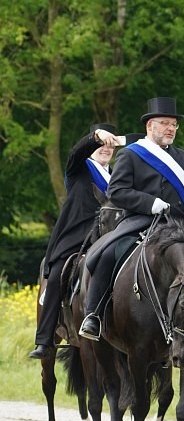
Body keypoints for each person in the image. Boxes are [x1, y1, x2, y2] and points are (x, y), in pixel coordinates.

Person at [78, 97, 184, 345]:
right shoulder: (131, 155)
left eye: (174, 125)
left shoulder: (181, 156)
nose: (170, 129)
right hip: (141, 221)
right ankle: (94, 314)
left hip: (181, 225)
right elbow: (117, 191)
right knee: (108, 253)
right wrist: (149, 203)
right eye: (164, 123)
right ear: (149, 127)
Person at [29, 124, 122, 359]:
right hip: (77, 237)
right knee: (59, 274)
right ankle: (45, 339)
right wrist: (95, 137)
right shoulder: (79, 168)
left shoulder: (118, 176)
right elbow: (75, 153)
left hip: (111, 238)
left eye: (109, 146)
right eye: (101, 145)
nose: (105, 149)